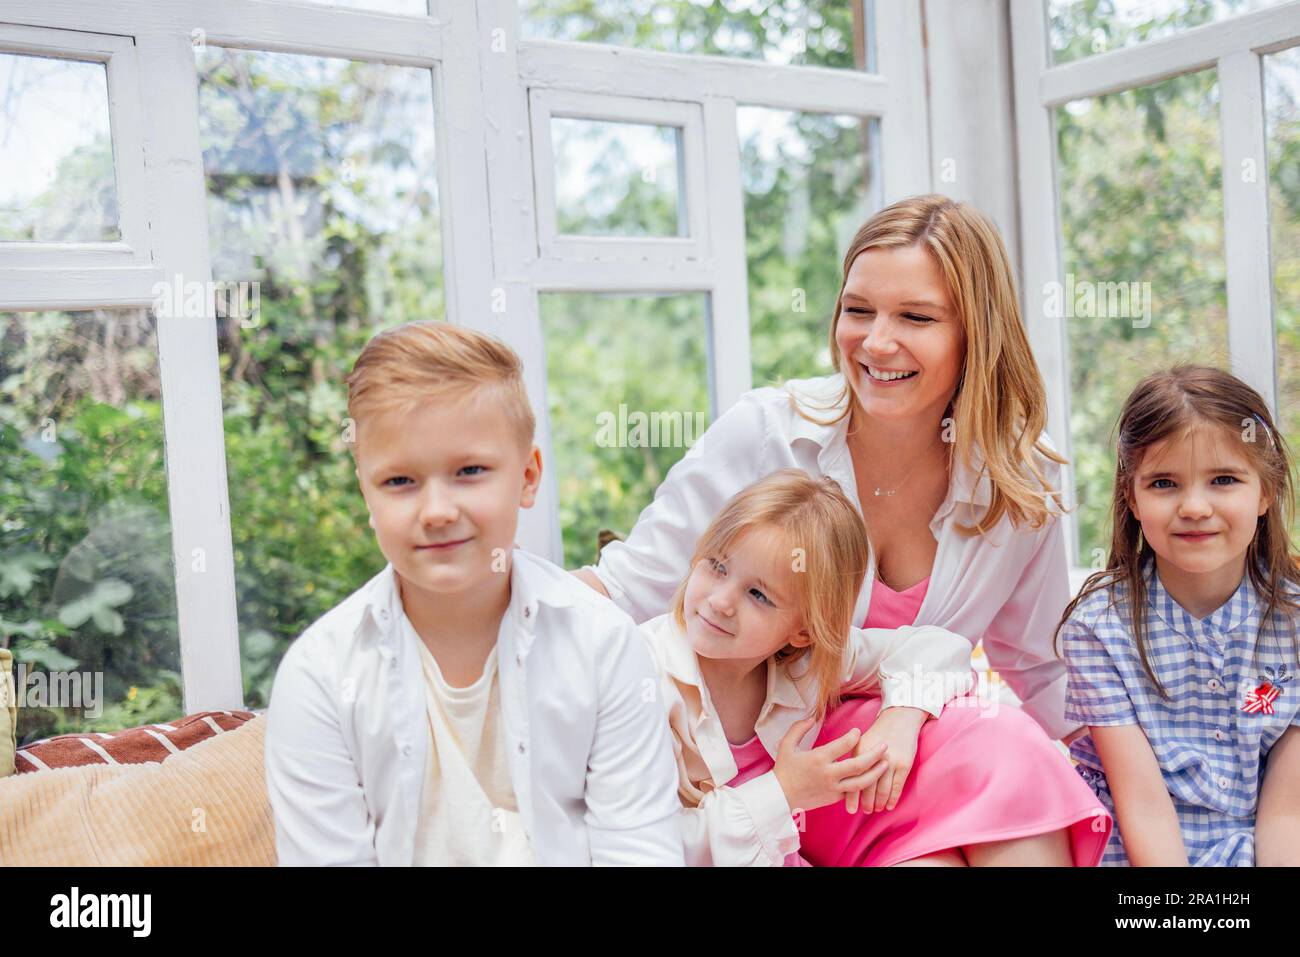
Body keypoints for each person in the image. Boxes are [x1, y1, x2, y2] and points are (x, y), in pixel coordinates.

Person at [578, 194, 1102, 864]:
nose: (876, 341)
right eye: (858, 311)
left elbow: (1040, 664)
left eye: (915, 316)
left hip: (902, 753)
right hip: (788, 760)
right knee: (999, 751)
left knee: (1009, 759)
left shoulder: (1020, 471)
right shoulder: (767, 431)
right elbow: (629, 585)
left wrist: (1160, 770)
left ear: (976, 332)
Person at [264, 321, 683, 866]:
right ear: (365, 490)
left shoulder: (604, 644)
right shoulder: (318, 676)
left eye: (469, 471)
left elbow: (638, 852)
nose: (437, 510)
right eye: (399, 482)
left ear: (528, 476)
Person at [643, 469, 1110, 867]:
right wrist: (783, 792)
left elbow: (937, 646)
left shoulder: (802, 662)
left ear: (803, 630)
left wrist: (901, 715)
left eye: (758, 595)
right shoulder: (644, 676)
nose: (721, 602)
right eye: (717, 567)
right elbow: (641, 844)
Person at [1059, 366, 1300, 866]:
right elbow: (1142, 809)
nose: (1194, 506)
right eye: (1165, 483)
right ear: (1132, 495)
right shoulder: (1099, 629)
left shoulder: (1294, 621)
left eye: (1224, 480)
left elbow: (1286, 814)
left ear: (1265, 491)